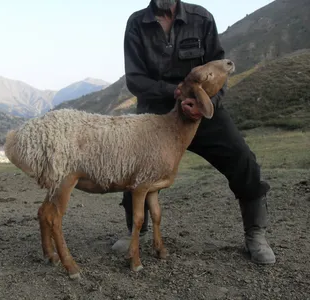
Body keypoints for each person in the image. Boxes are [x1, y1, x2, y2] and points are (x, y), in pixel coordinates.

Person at [111, 0, 276, 265]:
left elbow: (220, 72)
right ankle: (136, 231)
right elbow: (135, 78)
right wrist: (175, 94)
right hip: (157, 115)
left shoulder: (201, 18)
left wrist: (205, 104)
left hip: (201, 110)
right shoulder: (136, 24)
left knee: (242, 159)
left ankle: (255, 233)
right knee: (137, 170)